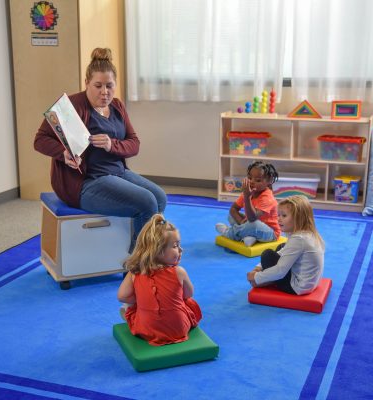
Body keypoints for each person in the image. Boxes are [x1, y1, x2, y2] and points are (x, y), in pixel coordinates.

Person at [34, 47, 166, 238]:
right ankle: (139, 262)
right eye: (98, 86)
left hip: (117, 173)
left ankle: (143, 251)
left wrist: (111, 144)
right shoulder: (70, 107)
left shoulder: (117, 105)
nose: (105, 92)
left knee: (160, 198)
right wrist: (64, 154)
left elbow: (134, 144)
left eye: (109, 86)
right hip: (86, 182)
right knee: (147, 202)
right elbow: (40, 140)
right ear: (86, 83)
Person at [117, 214, 202, 346]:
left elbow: (122, 296)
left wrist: (141, 300)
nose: (181, 249)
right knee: (188, 302)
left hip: (146, 331)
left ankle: (136, 316)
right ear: (158, 251)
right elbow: (189, 294)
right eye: (175, 246)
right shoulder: (179, 272)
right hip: (179, 330)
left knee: (132, 306)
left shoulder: (135, 272)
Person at [247, 195, 325, 295]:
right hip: (311, 283)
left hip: (298, 287)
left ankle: (270, 280)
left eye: (284, 216)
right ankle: (268, 277)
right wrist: (259, 267)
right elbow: (283, 251)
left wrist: (256, 277)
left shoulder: (299, 239)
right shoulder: (307, 233)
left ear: (298, 218)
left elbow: (280, 270)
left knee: (267, 254)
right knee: (282, 246)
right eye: (278, 215)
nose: (279, 219)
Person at [215, 161, 280, 247]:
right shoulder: (248, 192)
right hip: (252, 224)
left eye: (258, 180)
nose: (252, 182)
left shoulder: (267, 198)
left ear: (269, 181)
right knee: (231, 216)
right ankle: (249, 236)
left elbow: (252, 218)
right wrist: (242, 223)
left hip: (270, 233)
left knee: (253, 225)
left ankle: (228, 233)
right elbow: (233, 209)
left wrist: (247, 197)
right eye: (250, 178)